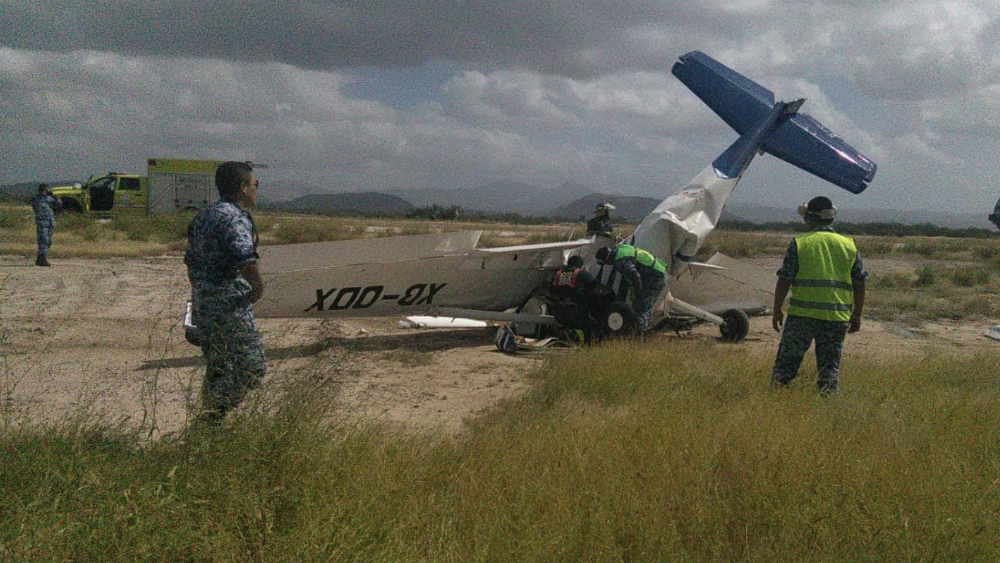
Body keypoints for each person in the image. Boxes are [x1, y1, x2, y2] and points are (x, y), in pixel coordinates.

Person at [184, 161, 266, 425]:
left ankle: (210, 428)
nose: (257, 189)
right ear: (243, 188)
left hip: (203, 302)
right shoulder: (234, 217)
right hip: (230, 305)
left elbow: (191, 264)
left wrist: (203, 293)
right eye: (255, 184)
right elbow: (245, 259)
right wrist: (257, 288)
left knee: (218, 367)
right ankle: (211, 419)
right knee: (251, 367)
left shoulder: (203, 216)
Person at [770, 196, 867, 394]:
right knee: (829, 369)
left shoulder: (800, 243)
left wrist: (777, 309)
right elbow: (859, 282)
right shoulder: (849, 245)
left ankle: (776, 400)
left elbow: (785, 279)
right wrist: (857, 314)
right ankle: (828, 405)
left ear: (810, 218)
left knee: (785, 368)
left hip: (802, 316)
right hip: (836, 317)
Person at [596, 244, 667, 333]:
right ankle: (645, 328)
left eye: (604, 263)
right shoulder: (620, 249)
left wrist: (638, 296)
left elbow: (636, 277)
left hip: (655, 277)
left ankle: (641, 333)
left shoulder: (621, 261)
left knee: (642, 306)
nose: (607, 264)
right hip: (658, 271)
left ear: (607, 259)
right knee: (646, 305)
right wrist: (634, 295)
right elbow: (631, 280)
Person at [548, 255, 602, 340]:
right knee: (594, 325)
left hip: (559, 311)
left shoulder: (558, 274)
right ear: (580, 264)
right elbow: (594, 287)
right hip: (577, 311)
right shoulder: (581, 273)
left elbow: (552, 291)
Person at [29, 183, 62, 266]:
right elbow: (33, 204)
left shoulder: (49, 198)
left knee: (49, 241)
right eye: (43, 190)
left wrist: (54, 196)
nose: (44, 191)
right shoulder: (36, 199)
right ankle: (42, 258)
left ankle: (40, 257)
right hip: (42, 223)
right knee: (44, 240)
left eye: (46, 190)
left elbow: (59, 204)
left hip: (50, 222)